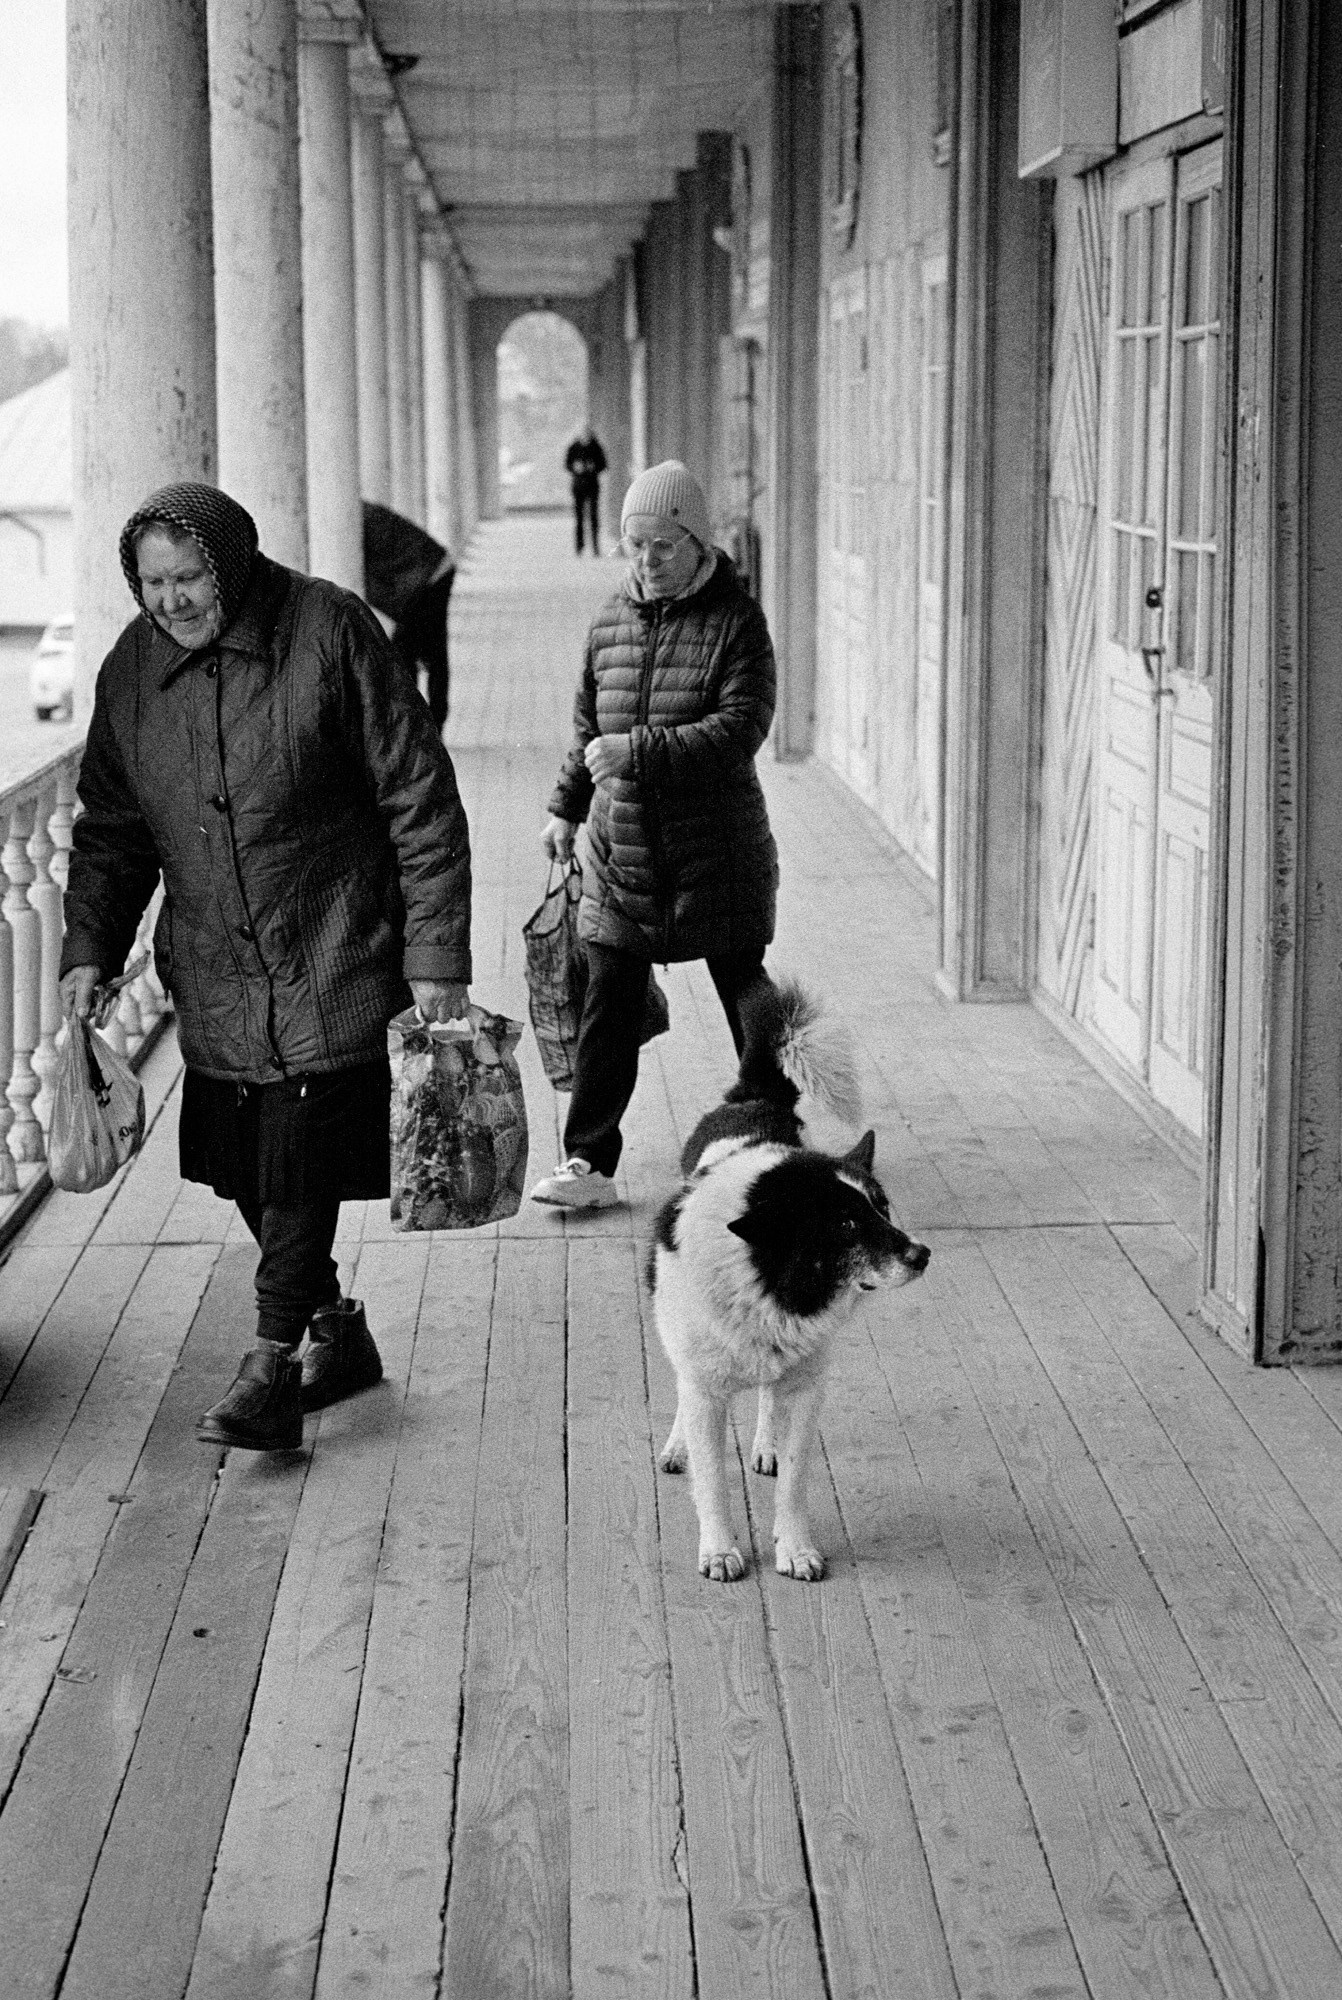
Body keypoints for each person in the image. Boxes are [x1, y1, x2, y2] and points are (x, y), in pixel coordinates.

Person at [59, 482, 472, 1451]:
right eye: (152, 582)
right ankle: (337, 1330)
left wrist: (435, 956)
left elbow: (420, 797)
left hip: (333, 942)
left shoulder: (327, 631)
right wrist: (90, 944)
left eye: (189, 575)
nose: (172, 600)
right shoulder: (131, 670)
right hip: (211, 964)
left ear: (231, 562)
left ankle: (270, 1362)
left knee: (297, 1164)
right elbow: (112, 829)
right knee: (248, 1165)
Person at [531, 460, 779, 1209]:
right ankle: (588, 1163)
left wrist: (637, 751)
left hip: (716, 848)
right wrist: (564, 808)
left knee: (744, 988)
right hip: (623, 851)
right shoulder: (609, 621)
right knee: (608, 991)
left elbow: (741, 729)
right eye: (633, 545)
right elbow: (587, 729)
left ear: (698, 543)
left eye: (662, 546)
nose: (645, 561)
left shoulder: (737, 621)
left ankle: (773, 1134)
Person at [362, 500, 456, 732]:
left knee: (409, 653)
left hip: (428, 575)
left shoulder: (356, 522)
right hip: (432, 571)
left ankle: (422, 725)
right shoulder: (362, 513)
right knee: (419, 652)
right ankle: (428, 722)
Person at [564, 427, 608, 556]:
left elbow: (603, 464)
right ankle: (579, 546)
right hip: (578, 486)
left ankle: (595, 546)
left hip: (592, 485)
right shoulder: (574, 447)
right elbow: (567, 464)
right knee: (579, 518)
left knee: (594, 517)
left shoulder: (596, 447)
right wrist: (575, 468)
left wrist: (593, 467)